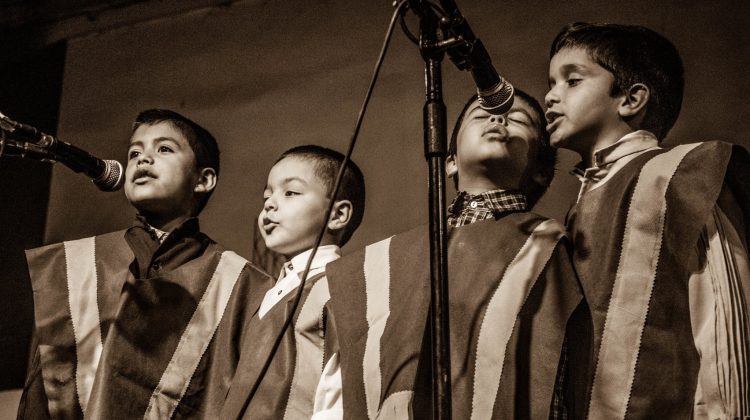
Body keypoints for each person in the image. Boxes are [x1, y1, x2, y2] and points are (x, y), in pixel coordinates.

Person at [324, 90, 588, 418]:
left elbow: (558, 369)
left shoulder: (547, 245)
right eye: (481, 114)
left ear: (541, 171)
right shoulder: (382, 263)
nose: (497, 117)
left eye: (518, 119)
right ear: (449, 160)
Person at [545, 22, 750, 418]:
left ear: (631, 98)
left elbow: (722, 316)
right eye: (550, 82)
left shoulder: (683, 172)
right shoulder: (576, 212)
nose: (550, 97)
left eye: (572, 80)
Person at [17, 109, 274, 419]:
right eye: (134, 152)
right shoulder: (77, 265)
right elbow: (39, 394)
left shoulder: (240, 282)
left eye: (164, 149)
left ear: (203, 180)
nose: (142, 159)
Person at [220, 145, 366, 419]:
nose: (270, 203)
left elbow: (339, 395)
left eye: (290, 192)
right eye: (267, 195)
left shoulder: (341, 287)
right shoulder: (264, 295)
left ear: (337, 215)